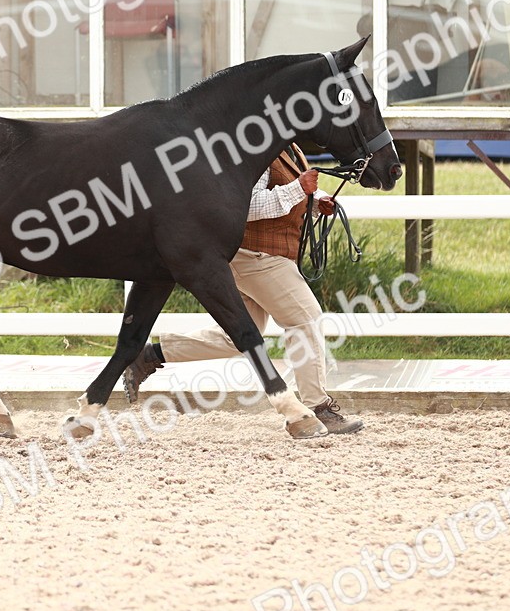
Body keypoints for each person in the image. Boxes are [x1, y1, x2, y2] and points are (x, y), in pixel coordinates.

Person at [123, 144, 364, 435]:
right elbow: (245, 205)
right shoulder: (260, 152)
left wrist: (314, 202)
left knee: (235, 336)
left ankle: (150, 355)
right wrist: (299, 189)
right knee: (305, 318)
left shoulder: (290, 149)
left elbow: (286, 194)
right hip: (257, 256)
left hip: (263, 254)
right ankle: (318, 408)